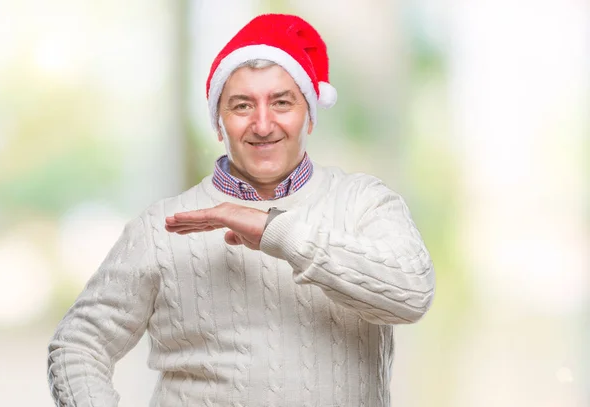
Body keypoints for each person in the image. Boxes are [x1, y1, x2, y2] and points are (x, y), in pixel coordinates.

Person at [47, 13, 435, 407]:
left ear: (310, 116)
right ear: (219, 123)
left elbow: (412, 295)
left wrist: (277, 232)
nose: (263, 124)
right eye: (242, 106)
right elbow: (76, 346)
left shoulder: (364, 203)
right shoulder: (159, 229)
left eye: (282, 102)